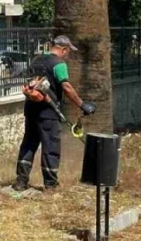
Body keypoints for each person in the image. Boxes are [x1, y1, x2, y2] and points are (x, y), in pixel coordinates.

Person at [13, 35, 89, 191]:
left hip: (31, 109)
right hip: (48, 112)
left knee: (28, 144)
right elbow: (66, 87)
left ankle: (21, 181)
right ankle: (50, 184)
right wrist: (82, 105)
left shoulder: (36, 60)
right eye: (67, 51)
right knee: (51, 146)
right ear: (63, 49)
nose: (67, 54)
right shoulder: (59, 64)